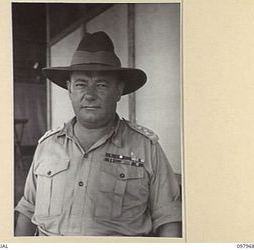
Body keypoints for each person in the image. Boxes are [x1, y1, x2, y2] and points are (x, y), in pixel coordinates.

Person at [14, 31, 182, 237]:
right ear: (69, 90)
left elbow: (168, 218)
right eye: (81, 84)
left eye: (101, 85)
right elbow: (27, 211)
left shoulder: (146, 147)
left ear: (119, 90)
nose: (90, 95)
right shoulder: (47, 145)